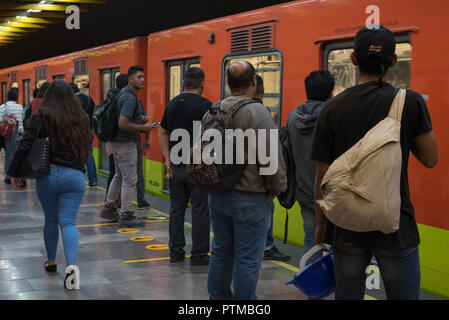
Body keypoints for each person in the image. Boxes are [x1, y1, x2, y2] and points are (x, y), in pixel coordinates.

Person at [311, 26, 438, 300]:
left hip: (345, 226)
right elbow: (431, 159)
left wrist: (321, 225)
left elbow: (322, 173)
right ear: (393, 61)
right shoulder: (410, 103)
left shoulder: (331, 109)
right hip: (395, 225)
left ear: (354, 60)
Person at [207, 61, 286, 300]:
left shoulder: (213, 109)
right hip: (249, 196)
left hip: (217, 193)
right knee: (247, 259)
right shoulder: (258, 112)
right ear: (253, 82)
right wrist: (277, 187)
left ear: (228, 84)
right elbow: (270, 157)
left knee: (221, 251)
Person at [8, 80, 91, 290]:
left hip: (49, 175)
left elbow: (26, 143)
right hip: (74, 177)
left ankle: (52, 261)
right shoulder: (81, 116)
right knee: (69, 223)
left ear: (49, 95)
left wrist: (14, 171)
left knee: (51, 220)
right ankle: (72, 267)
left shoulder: (42, 115)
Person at [158, 67, 212, 265]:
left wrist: (167, 158)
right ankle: (198, 254)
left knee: (176, 209)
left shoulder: (172, 104)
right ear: (202, 85)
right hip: (199, 167)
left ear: (183, 83)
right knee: (200, 210)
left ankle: (175, 252)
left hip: (177, 165)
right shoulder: (207, 105)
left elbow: (162, 132)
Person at [285, 70, 334, 264]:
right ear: (330, 93)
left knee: (310, 239)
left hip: (304, 191)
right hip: (330, 193)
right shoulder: (333, 117)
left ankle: (311, 285)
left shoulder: (292, 117)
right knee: (333, 242)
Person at [100, 66, 154, 227]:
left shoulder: (122, 94)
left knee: (119, 175)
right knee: (130, 179)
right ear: (130, 79)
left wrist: (139, 119)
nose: (142, 79)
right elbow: (123, 123)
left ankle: (109, 207)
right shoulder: (130, 97)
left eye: (143, 76)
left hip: (117, 142)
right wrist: (144, 128)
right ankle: (126, 214)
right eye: (139, 77)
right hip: (126, 143)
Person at [253, 75, 290, 262]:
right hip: (260, 179)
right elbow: (270, 150)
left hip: (235, 182)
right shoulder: (262, 112)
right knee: (267, 210)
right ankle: (266, 246)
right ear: (261, 90)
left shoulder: (229, 108)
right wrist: (278, 185)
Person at [69, 82, 98, 187]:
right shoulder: (90, 99)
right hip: (89, 130)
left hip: (78, 131)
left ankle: (77, 180)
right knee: (89, 155)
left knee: (76, 154)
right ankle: (93, 180)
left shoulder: (73, 101)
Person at [0, 88, 24, 185]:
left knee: (9, 156)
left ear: (7, 97)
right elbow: (21, 121)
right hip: (19, 134)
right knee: (18, 156)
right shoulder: (20, 107)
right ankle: (18, 175)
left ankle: (8, 177)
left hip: (9, 135)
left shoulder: (3, 107)